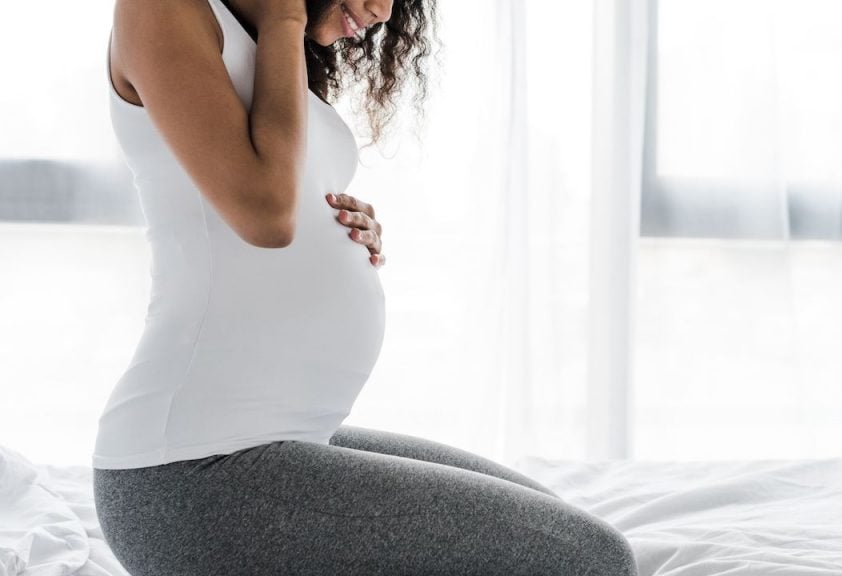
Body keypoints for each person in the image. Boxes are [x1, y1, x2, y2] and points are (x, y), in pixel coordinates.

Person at [92, 0, 639, 574]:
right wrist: (285, 19)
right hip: (188, 474)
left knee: (556, 522)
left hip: (285, 439)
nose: (381, 10)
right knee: (591, 559)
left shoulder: (263, 44)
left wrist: (335, 221)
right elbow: (265, 214)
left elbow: (278, 195)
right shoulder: (161, 9)